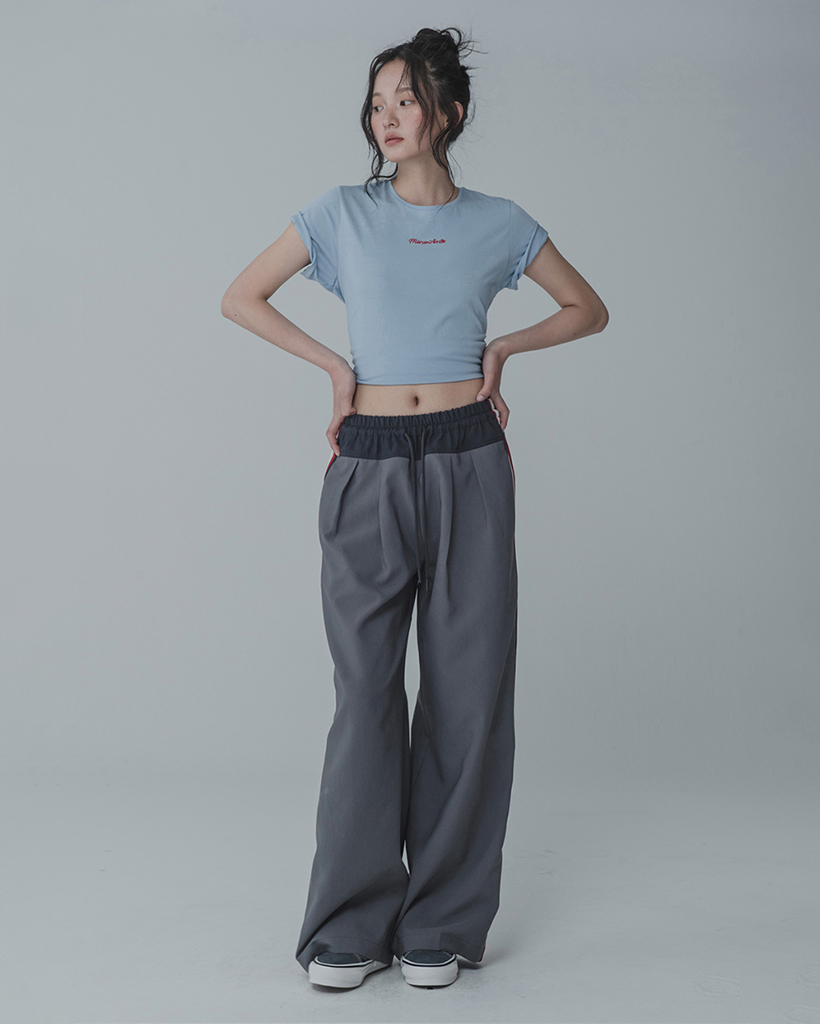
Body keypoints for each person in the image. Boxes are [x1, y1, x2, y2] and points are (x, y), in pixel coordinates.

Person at [221, 25, 608, 990]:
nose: (386, 118)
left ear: (450, 114)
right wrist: (334, 368)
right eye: (377, 102)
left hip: (470, 454)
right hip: (371, 458)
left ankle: (440, 920)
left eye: (405, 100)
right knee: (365, 693)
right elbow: (242, 296)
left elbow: (587, 307)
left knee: (468, 692)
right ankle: (348, 924)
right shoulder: (340, 215)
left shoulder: (499, 223)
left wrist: (504, 349)